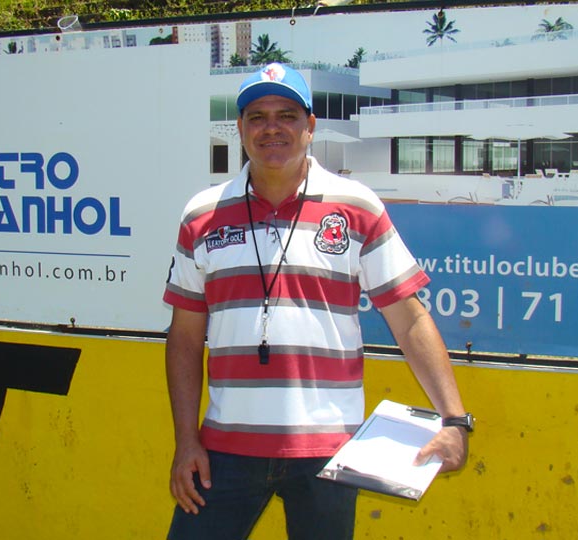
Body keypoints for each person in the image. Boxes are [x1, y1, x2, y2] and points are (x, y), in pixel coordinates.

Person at [162, 63, 472, 540]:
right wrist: (186, 442)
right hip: (223, 450)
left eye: (287, 114)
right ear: (240, 128)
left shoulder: (357, 206)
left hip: (330, 453)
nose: (272, 128)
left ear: (310, 126)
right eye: (257, 116)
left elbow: (409, 319)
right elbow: (184, 338)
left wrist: (454, 420)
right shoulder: (201, 214)